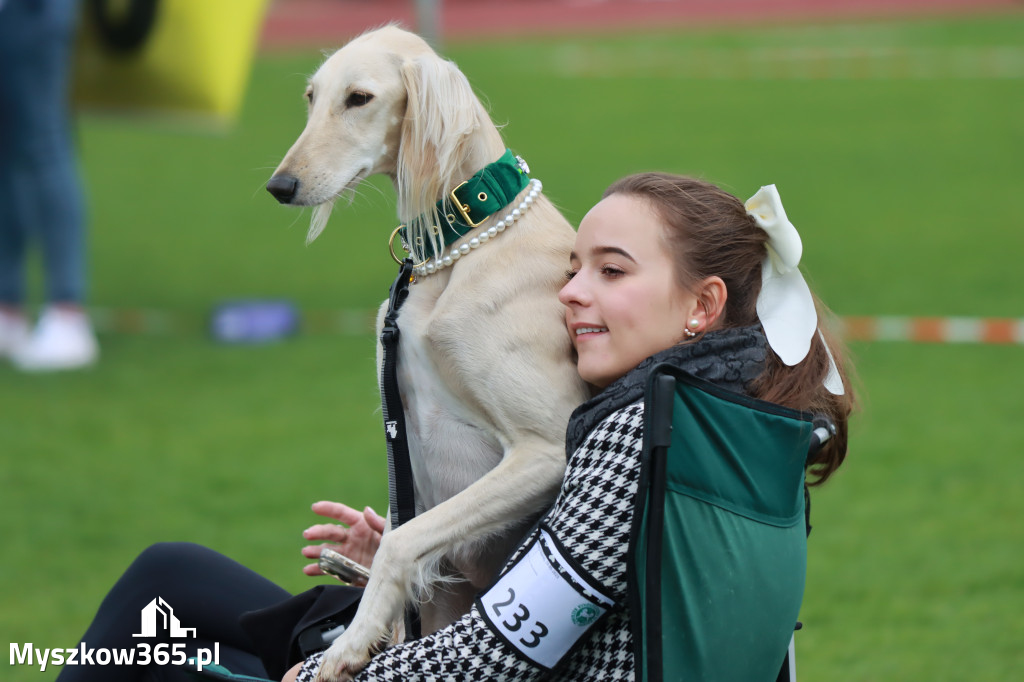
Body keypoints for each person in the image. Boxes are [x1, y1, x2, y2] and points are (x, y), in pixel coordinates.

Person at [287, 172, 854, 681]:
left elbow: (500, 650)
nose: (571, 292)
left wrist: (325, 675)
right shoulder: (752, 425)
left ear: (703, 306)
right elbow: (587, 602)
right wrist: (421, 565)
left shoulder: (641, 434)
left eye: (611, 271)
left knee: (212, 607)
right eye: (573, 269)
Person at [54, 502, 386, 682]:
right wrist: (390, 572)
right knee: (165, 652)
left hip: (396, 662)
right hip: (396, 639)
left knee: (165, 576)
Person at [0, 0, 100, 371]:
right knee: (6, 149)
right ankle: (8, 308)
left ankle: (67, 312)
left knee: (43, 145)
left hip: (33, 10)